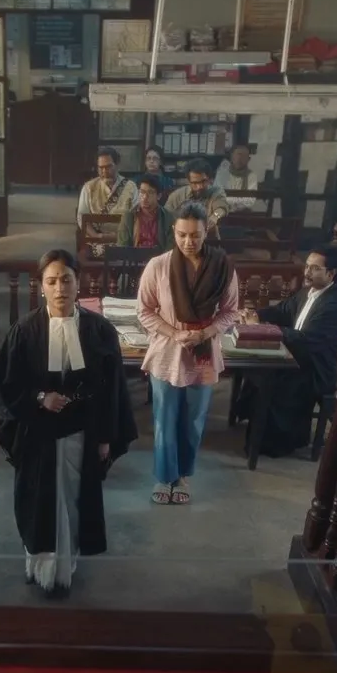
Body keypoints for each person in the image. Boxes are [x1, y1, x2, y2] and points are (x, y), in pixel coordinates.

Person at [0, 250, 138, 596]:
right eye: (52, 281)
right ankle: (39, 567)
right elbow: (9, 384)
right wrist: (40, 398)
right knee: (38, 503)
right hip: (37, 434)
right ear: (41, 286)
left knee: (73, 501)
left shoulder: (99, 330)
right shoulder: (24, 331)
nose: (60, 288)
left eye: (66, 280)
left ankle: (64, 569)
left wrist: (105, 437)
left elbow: (112, 390)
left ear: (78, 283)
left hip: (81, 434)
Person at [136, 202, 240, 505]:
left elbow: (230, 312)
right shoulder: (158, 265)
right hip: (169, 350)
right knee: (164, 418)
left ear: (206, 232)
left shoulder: (222, 266)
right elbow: (144, 311)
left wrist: (206, 333)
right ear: (174, 231)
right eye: (182, 234)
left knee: (193, 419)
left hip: (203, 351)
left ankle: (182, 475)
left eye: (195, 235)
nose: (188, 241)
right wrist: (175, 333)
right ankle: (164, 476)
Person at [242, 246, 337, 457]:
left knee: (272, 380)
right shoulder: (309, 290)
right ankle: (255, 425)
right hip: (299, 357)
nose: (307, 272)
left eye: (315, 268)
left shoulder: (334, 305)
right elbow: (282, 310)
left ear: (331, 274)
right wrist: (256, 314)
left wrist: (264, 330)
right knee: (257, 368)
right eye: (307, 266)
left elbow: (305, 339)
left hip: (315, 369)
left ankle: (274, 443)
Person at [77, 146, 138, 222]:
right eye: (101, 168)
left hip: (123, 229)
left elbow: (137, 216)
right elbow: (82, 217)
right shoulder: (88, 188)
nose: (104, 171)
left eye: (108, 167)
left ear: (117, 165)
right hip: (96, 229)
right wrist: (93, 230)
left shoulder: (131, 187)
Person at [165, 158, 230, 223]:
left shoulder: (216, 192)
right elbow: (166, 214)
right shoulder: (177, 196)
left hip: (207, 228)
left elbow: (221, 208)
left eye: (203, 181)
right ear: (188, 181)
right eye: (195, 183)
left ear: (209, 179)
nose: (200, 187)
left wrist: (214, 217)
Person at [117, 176, 174, 250]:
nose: (145, 197)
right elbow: (122, 247)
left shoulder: (168, 217)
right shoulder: (129, 216)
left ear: (159, 196)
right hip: (135, 256)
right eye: (142, 192)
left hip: (159, 256)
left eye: (150, 193)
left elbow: (170, 248)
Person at [214, 143, 263, 213]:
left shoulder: (251, 176)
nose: (239, 159)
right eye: (237, 155)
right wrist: (239, 200)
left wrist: (231, 201)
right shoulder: (222, 174)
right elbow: (218, 197)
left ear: (248, 159)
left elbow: (250, 201)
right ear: (232, 157)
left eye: (243, 156)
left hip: (243, 213)